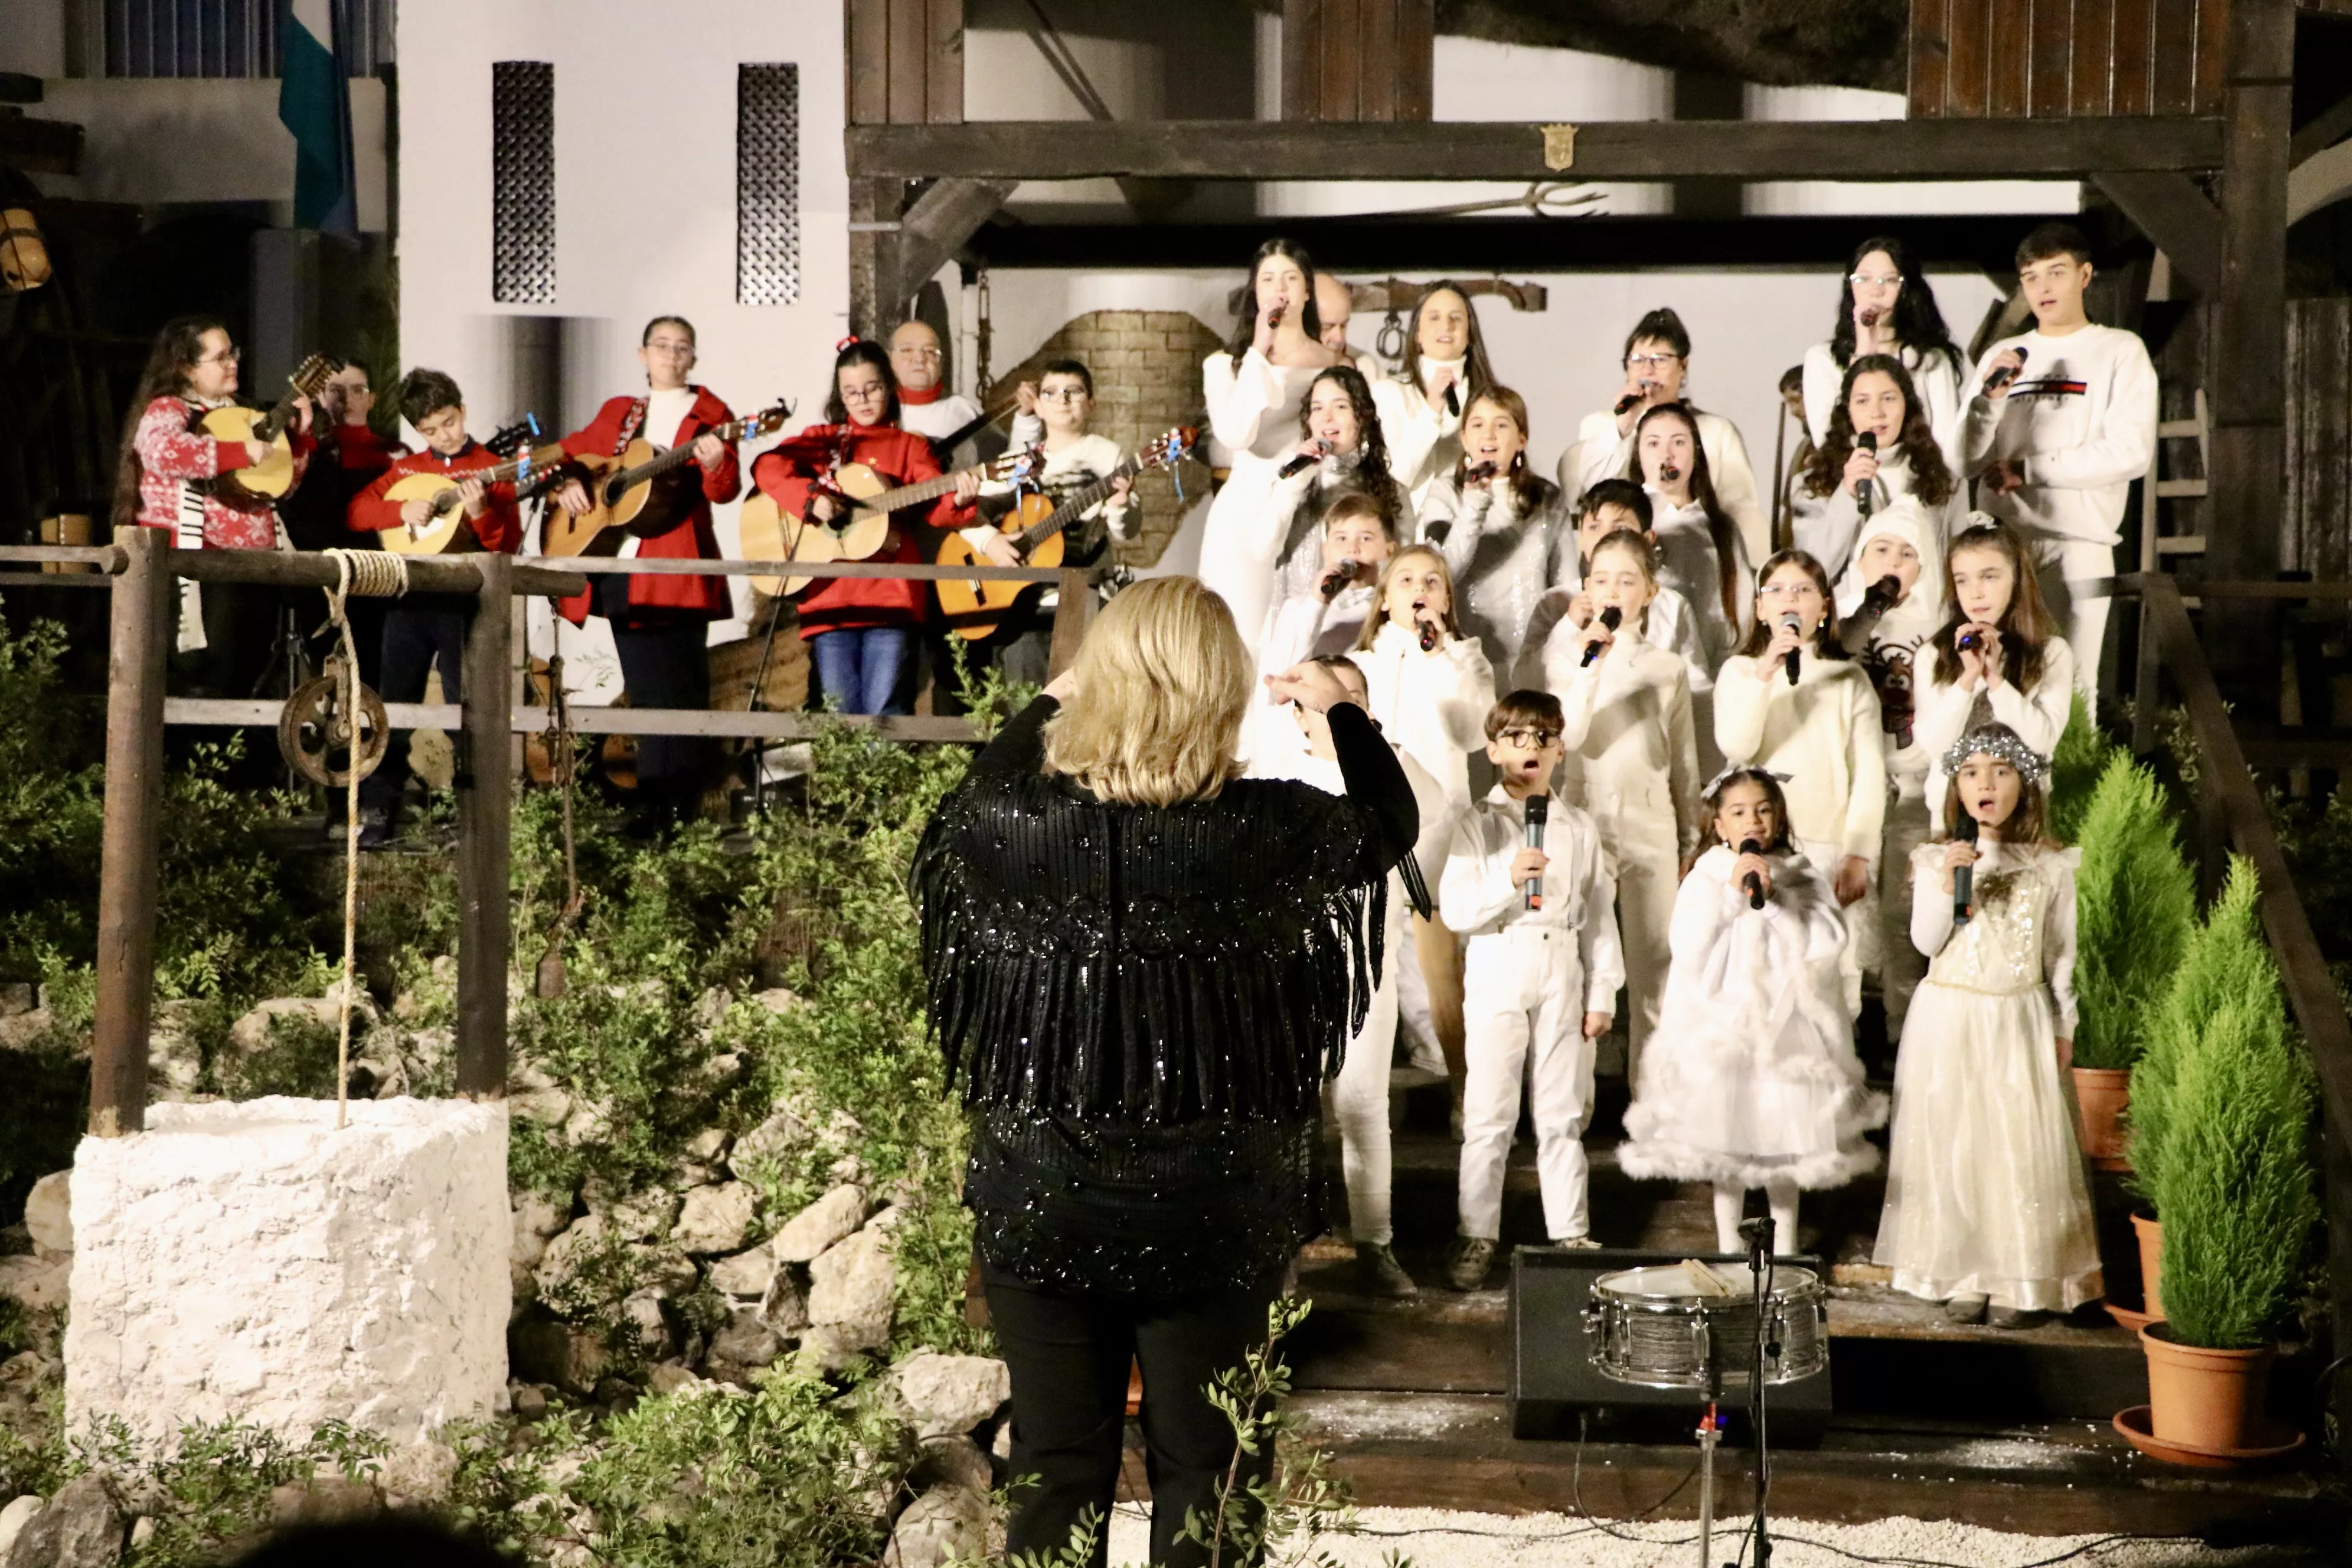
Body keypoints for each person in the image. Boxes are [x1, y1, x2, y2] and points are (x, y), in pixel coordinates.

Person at [913, 577, 1416, 1568]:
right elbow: (1386, 823)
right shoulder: (1269, 829)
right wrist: (1342, 711)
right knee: (1209, 1475)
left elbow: (957, 814)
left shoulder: (1018, 825)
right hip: (1214, 1209)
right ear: (1220, 691)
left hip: (1041, 1200)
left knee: (1057, 1470)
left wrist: (1050, 698)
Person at [1874, 723, 2099, 1328]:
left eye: (2000, 772)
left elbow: (2062, 954)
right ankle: (1965, 1271)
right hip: (1950, 1014)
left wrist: (2065, 1024)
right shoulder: (1935, 857)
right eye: (1972, 772)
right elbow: (1927, 941)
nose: (1986, 785)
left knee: (2013, 1143)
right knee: (1955, 1141)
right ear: (1956, 787)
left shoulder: (2053, 864)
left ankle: (2014, 1276)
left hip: (2014, 1014)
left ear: (2024, 784)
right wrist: (1948, 883)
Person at [1619, 767, 1885, 1255]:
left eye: (1763, 810)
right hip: (1725, 1028)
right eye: (1739, 812)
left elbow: (1827, 941)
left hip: (1786, 1028)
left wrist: (1776, 901)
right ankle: (1728, 1248)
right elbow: (1687, 945)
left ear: (1779, 817)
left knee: (1784, 1134)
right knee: (1729, 1138)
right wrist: (1731, 897)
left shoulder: (1801, 873)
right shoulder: (1705, 877)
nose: (1753, 821)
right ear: (1719, 825)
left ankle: (1784, 1252)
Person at [1249, 652, 1449, 1298]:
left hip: (1368, 970)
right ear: (1299, 712)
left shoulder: (1390, 776)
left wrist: (1371, 744)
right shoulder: (1273, 776)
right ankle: (1282, 1254)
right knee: (1287, 1115)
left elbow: (1431, 809)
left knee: (1364, 1106)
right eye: (1327, 697)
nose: (1341, 707)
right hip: (1287, 977)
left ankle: (1376, 1242)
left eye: (1352, 696)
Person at [1440, 690, 1623, 1286]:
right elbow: (1457, 907)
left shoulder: (1577, 827)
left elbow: (1598, 912)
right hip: (1499, 958)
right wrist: (1507, 875)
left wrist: (1602, 993)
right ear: (1493, 749)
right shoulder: (1479, 822)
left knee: (1561, 1109)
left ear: (1560, 748)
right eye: (1517, 737)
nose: (1531, 749)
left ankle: (1569, 1228)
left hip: (1560, 964)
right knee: (1490, 1112)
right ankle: (1476, 1234)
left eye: (1543, 738)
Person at [549, 315, 740, 827]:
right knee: (646, 689)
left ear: (693, 357)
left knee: (682, 690)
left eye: (682, 347)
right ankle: (659, 803)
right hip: (619, 568)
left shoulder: (711, 414)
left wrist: (718, 461)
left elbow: (723, 491)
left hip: (676, 564)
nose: (671, 355)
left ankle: (678, 807)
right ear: (643, 354)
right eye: (661, 345)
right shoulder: (620, 411)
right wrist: (569, 481)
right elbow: (568, 454)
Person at [1961, 222, 2157, 698]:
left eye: (2056, 273)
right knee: (2001, 679)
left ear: (2084, 275)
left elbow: (2131, 452)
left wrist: (2030, 470)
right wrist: (1987, 405)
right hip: (2006, 542)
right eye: (2031, 277)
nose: (2043, 288)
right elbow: (1967, 454)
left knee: (2075, 686)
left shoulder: (2119, 351)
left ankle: (2074, 775)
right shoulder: (2002, 355)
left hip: (2081, 540)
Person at [1544, 528, 1703, 1083]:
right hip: (1584, 815)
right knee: (1583, 966)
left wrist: (1690, 835)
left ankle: (1653, 1108)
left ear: (1650, 591)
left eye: (1626, 580)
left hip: (1649, 820)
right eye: (1602, 578)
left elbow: (1683, 761)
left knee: (1655, 966)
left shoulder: (1667, 667)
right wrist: (1589, 661)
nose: (1613, 590)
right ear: (1586, 586)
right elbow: (1571, 729)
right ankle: (1573, 1105)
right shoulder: (1565, 658)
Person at [749, 340, 979, 715]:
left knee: (884, 716)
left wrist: (961, 498)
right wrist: (809, 499)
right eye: (851, 392)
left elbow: (938, 509)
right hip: (829, 599)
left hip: (891, 599)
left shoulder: (910, 447)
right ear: (840, 396)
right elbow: (767, 466)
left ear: (888, 386)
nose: (862, 400)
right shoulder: (823, 441)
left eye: (871, 388)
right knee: (839, 719)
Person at [347, 369, 522, 845]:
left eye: (450, 422)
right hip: (409, 600)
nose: (444, 435)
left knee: (469, 707)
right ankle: (381, 805)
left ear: (462, 410)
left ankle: (475, 813)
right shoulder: (407, 471)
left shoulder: (490, 465)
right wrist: (398, 511)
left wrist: (482, 513)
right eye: (431, 430)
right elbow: (358, 511)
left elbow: (508, 544)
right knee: (394, 704)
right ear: (417, 432)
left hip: (467, 604)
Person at [1350, 545, 1495, 1105]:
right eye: (1406, 579)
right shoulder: (1362, 665)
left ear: (1447, 600)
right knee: (1376, 957)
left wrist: (1441, 659)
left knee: (1441, 962)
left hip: (1440, 829)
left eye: (1432, 581)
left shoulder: (1466, 660)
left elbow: (1471, 736)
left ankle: (1463, 1089)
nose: (1420, 589)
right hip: (1377, 827)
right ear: (1385, 601)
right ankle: (1365, 1095)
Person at [1714, 550, 1884, 1015]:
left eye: (1803, 591)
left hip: (1828, 846)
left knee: (1833, 977)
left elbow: (1869, 773)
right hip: (1765, 848)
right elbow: (1738, 745)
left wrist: (1857, 853)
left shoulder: (1849, 680)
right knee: (1767, 976)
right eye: (1777, 591)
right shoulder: (1740, 672)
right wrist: (1765, 674)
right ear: (1759, 608)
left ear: (1825, 607)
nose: (1790, 600)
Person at [113, 315, 314, 693]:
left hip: (257, 566)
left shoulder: (244, 413)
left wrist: (298, 441)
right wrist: (239, 452)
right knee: (213, 676)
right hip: (200, 567)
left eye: (233, 354)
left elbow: (279, 487)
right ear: (188, 369)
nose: (233, 363)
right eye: (220, 357)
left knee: (250, 676)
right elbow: (160, 450)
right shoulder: (171, 409)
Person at [1833, 499, 1946, 1038]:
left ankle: (1903, 1039)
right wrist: (1873, 607)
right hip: (1854, 788)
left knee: (1905, 917)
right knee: (1848, 920)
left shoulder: (1941, 625)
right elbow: (1837, 654)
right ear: (1859, 558)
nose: (1893, 562)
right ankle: (1846, 1044)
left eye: (1907, 554)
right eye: (1880, 549)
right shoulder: (1845, 619)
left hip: (1916, 789)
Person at [1200, 239, 1341, 655]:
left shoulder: (1336, 365)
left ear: (1307, 291)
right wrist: (1258, 351)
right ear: (1255, 292)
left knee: (1303, 640)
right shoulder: (1225, 366)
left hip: (1310, 505)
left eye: (1291, 278)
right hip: (1245, 510)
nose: (1280, 289)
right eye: (1268, 279)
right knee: (1240, 641)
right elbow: (1236, 435)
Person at [963, 359, 1138, 687]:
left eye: (1074, 392)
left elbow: (1125, 531)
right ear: (1038, 406)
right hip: (1021, 602)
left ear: (1091, 403)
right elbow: (963, 513)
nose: (1063, 399)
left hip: (1085, 595)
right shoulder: (1018, 462)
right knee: (1023, 700)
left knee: (1080, 698)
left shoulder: (1108, 455)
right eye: (1052, 392)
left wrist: (1119, 504)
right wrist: (991, 541)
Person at [1561, 308, 1769, 569]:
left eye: (1660, 359)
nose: (1647, 370)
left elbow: (1741, 512)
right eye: (1637, 360)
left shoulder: (1716, 431)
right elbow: (1582, 495)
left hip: (1698, 559)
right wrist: (1623, 427)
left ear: (1683, 367)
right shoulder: (1600, 426)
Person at [1913, 517, 2072, 812]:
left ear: (2017, 579)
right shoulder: (1934, 655)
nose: (1975, 593)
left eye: (1989, 577)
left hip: (2024, 815)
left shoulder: (2051, 653)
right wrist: (1968, 679)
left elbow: (2042, 741)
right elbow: (1936, 745)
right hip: (1950, 812)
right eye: (1962, 580)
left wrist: (1996, 680)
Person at [1423, 387, 1573, 694]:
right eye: (1478, 425)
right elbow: (1442, 575)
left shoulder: (1546, 497)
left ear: (1521, 439)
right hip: (1467, 655)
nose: (1489, 435)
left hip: (1533, 655)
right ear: (1464, 438)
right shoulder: (1445, 493)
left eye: (1501, 425)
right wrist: (1474, 504)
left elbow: (1566, 582)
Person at [1247, 492, 1397, 763]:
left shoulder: (1394, 608)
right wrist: (1318, 603)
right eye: (1341, 539)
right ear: (1325, 551)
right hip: (1310, 747)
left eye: (1366, 538)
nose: (1353, 549)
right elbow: (1276, 680)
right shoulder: (1301, 608)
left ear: (1389, 548)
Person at [1256, 364, 1410, 624]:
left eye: (1340, 407)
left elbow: (1403, 569)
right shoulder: (1291, 479)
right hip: (1296, 631)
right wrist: (1295, 483)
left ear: (1363, 416)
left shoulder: (1392, 490)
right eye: (1317, 408)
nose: (1327, 418)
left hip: (1362, 630)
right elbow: (1261, 550)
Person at [1800, 236, 1968, 471]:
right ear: (1850, 287)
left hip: (1920, 489)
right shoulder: (1823, 359)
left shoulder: (1930, 360)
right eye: (1864, 279)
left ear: (1906, 289)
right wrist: (1863, 352)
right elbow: (1830, 443)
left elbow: (1947, 450)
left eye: (1889, 280)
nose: (1875, 291)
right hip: (1852, 490)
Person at [1796, 353, 1965, 580]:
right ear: (1848, 411)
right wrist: (1846, 495)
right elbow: (1811, 572)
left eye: (1888, 399)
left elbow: (1960, 564)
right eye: (1863, 401)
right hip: (1850, 612)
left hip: (1926, 612)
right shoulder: (1815, 481)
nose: (1877, 413)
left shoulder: (1944, 480)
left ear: (1908, 405)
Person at [1631, 402, 1751, 675]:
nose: (1667, 454)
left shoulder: (1721, 528)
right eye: (1653, 444)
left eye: (1679, 443)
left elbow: (1742, 608)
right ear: (1638, 455)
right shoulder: (1628, 521)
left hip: (1712, 672)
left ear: (1696, 452)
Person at [1371, 281, 1498, 518]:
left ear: (1470, 333)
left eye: (1456, 318)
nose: (1446, 326)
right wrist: (1431, 413)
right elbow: (1391, 479)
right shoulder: (1389, 393)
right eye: (1434, 318)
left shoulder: (1490, 400)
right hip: (1410, 535)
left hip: (1476, 528)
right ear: (1417, 334)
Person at [889, 318, 986, 462]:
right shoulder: (875, 411)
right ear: (889, 358)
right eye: (907, 350)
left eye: (930, 351)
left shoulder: (966, 411)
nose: (920, 359)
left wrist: (1024, 420)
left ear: (941, 362)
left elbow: (1006, 460)